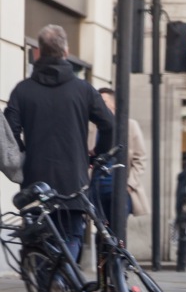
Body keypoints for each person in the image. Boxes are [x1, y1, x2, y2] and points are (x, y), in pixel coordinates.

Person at [3, 24, 114, 263]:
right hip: (73, 182)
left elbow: (10, 134)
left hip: (35, 182)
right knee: (72, 236)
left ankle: (52, 289)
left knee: (38, 241)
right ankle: (63, 284)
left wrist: (25, 158)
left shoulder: (22, 91)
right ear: (66, 51)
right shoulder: (83, 90)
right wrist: (97, 157)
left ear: (39, 52)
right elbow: (109, 125)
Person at [93, 88, 150, 222]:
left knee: (117, 232)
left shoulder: (129, 125)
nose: (100, 104)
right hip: (96, 188)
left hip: (120, 189)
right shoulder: (91, 126)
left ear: (114, 104)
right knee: (101, 232)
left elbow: (140, 158)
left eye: (104, 101)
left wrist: (129, 185)